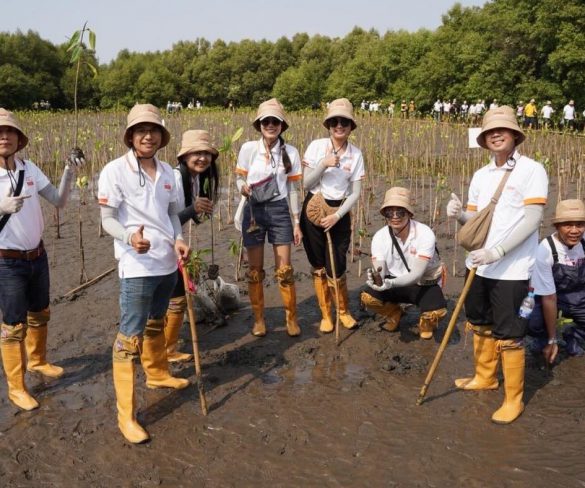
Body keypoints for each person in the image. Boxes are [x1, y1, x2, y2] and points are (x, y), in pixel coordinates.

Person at [446, 106, 548, 424]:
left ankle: (513, 399)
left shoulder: (532, 170)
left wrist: (499, 250)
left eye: (502, 130)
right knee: (480, 320)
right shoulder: (481, 175)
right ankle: (485, 376)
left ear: (515, 135)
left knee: (511, 331)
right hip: (479, 264)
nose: (496, 135)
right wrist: (459, 212)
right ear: (484, 139)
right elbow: (477, 220)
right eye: (490, 132)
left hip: (513, 269)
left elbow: (533, 219)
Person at [98, 103, 190, 444]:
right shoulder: (114, 171)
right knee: (129, 338)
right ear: (131, 136)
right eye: (141, 131)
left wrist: (179, 239)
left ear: (161, 137)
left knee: (156, 322)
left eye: (153, 130)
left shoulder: (170, 173)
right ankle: (127, 416)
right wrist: (128, 237)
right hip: (136, 266)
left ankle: (158, 373)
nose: (147, 135)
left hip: (167, 263)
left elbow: (171, 213)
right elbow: (107, 218)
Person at [0, 109, 84, 411]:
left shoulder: (30, 168)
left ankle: (37, 361)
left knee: (40, 312)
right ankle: (16, 387)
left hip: (37, 255)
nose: (4, 137)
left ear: (19, 139)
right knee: (13, 325)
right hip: (6, 263)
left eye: (9, 132)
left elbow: (59, 200)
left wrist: (69, 172)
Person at [235, 98, 303, 338]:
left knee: (284, 269)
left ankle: (291, 318)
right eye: (266, 121)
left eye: (275, 121)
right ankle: (259, 320)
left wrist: (296, 223)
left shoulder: (291, 152)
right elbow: (239, 179)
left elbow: (294, 190)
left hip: (279, 211)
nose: (270, 125)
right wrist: (242, 187)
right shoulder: (248, 149)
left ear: (282, 125)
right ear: (259, 124)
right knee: (254, 269)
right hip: (253, 211)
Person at [300, 98, 365, 333]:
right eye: (335, 122)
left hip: (339, 211)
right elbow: (305, 183)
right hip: (314, 208)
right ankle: (326, 314)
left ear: (350, 126)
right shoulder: (317, 146)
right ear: (328, 124)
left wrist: (337, 216)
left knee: (336, 263)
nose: (339, 126)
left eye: (344, 122)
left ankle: (344, 312)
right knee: (318, 264)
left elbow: (355, 193)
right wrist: (323, 165)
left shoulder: (356, 155)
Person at [163, 129, 220, 362]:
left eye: (206, 154)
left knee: (176, 297)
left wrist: (198, 210)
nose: (202, 158)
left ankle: (167, 349)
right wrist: (193, 209)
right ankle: (160, 350)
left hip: (173, 243)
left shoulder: (196, 179)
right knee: (169, 297)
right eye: (196, 153)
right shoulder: (176, 178)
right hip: (162, 244)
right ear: (184, 157)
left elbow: (183, 217)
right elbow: (168, 219)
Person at [360, 187, 447, 339]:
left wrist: (390, 284)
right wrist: (376, 278)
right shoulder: (380, 237)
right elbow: (380, 269)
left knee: (436, 313)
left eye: (400, 212)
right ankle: (394, 312)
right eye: (389, 212)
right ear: (384, 214)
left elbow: (416, 274)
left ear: (409, 213)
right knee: (368, 297)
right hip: (394, 280)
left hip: (422, 283)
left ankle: (426, 322)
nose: (395, 216)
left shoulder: (425, 233)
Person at [528, 199, 585, 360]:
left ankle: (574, 337)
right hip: (547, 296)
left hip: (578, 296)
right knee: (530, 320)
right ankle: (543, 339)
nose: (575, 230)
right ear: (557, 226)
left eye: (579, 224)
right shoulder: (545, 250)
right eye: (568, 225)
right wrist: (553, 339)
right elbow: (549, 298)